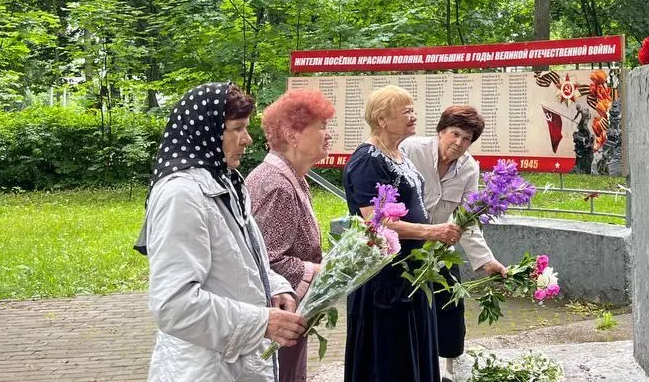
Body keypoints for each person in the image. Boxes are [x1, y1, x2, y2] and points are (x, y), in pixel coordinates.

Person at [137, 81, 306, 382]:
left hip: (236, 364)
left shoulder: (225, 181)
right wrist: (261, 322)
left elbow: (241, 261)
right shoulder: (181, 195)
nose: (248, 140)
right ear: (207, 132)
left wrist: (275, 285)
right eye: (237, 128)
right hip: (202, 368)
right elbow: (174, 305)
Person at [341, 85, 463, 382]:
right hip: (385, 281)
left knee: (413, 356)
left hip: (411, 275)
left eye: (413, 109)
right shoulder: (369, 160)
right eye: (406, 111)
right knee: (390, 361)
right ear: (382, 119)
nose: (414, 115)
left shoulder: (398, 154)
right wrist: (432, 231)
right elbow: (378, 222)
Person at [401, 105, 509, 382]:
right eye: (455, 134)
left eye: (467, 139)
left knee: (451, 304)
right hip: (400, 246)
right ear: (441, 131)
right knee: (404, 312)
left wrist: (486, 261)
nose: (459, 143)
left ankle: (449, 370)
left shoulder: (469, 168)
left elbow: (467, 219)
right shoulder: (410, 149)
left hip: (439, 251)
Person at [246, 89, 335, 382]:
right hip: (276, 322)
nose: (328, 134)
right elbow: (267, 261)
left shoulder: (291, 176)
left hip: (285, 319)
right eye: (321, 127)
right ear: (293, 136)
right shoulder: (277, 185)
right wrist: (328, 272)